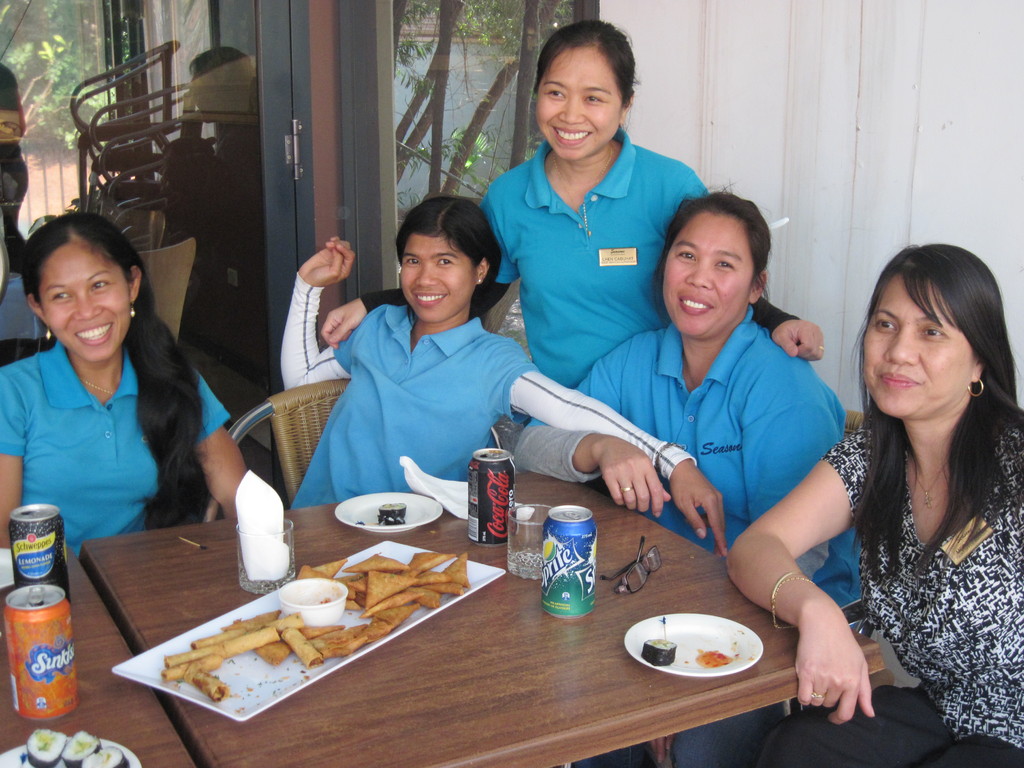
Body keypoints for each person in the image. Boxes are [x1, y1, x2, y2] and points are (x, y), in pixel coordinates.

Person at [515, 192, 858, 768]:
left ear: (757, 288)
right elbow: (528, 445)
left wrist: (679, 669)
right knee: (578, 727)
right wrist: (601, 445)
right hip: (647, 605)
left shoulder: (782, 389)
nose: (699, 278)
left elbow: (807, 560)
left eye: (725, 264)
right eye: (686, 255)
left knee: (699, 748)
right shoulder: (635, 361)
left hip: (772, 624)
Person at [319, 20, 823, 389]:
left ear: (625, 106)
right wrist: (375, 303)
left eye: (595, 98)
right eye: (555, 93)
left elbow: (715, 280)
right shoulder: (511, 197)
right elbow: (471, 291)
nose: (571, 115)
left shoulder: (670, 186)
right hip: (563, 409)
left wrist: (779, 321)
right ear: (536, 95)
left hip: (665, 402)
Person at [729, 244, 1024, 767]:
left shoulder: (1014, 463)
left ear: (979, 358)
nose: (899, 351)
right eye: (886, 325)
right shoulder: (871, 457)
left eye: (931, 332)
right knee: (799, 746)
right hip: (944, 713)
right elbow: (757, 547)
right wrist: (816, 611)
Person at [282, 194, 721, 531]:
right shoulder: (378, 326)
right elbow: (299, 384)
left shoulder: (494, 360)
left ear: (480, 271)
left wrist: (670, 459)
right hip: (318, 524)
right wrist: (307, 287)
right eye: (412, 261)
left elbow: (569, 408)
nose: (425, 278)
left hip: (414, 543)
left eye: (445, 261)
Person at [0, 213, 247, 553]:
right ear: (38, 307)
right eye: (61, 296)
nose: (86, 311)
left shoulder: (169, 375)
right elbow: (1, 535)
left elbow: (238, 495)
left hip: (148, 586)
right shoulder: (12, 392)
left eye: (99, 285)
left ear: (132, 285)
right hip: (49, 593)